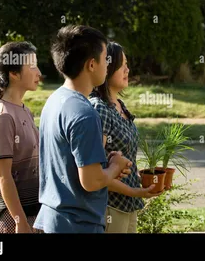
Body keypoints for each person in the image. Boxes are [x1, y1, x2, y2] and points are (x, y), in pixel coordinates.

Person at [33, 25, 132, 234]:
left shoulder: (54, 100)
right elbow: (91, 181)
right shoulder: (84, 113)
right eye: (106, 58)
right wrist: (115, 166)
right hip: (78, 224)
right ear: (91, 64)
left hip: (53, 220)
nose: (108, 65)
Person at [89, 42, 162, 233]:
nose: (127, 70)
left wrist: (143, 179)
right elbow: (96, 172)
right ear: (107, 67)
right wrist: (136, 191)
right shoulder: (99, 108)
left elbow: (124, 160)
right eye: (122, 65)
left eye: (127, 64)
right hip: (111, 207)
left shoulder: (120, 106)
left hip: (129, 206)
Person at [0, 41, 43, 233]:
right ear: (14, 73)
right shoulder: (3, 116)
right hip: (14, 222)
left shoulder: (24, 110)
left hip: (34, 216)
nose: (39, 72)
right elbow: (3, 174)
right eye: (32, 66)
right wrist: (20, 221)